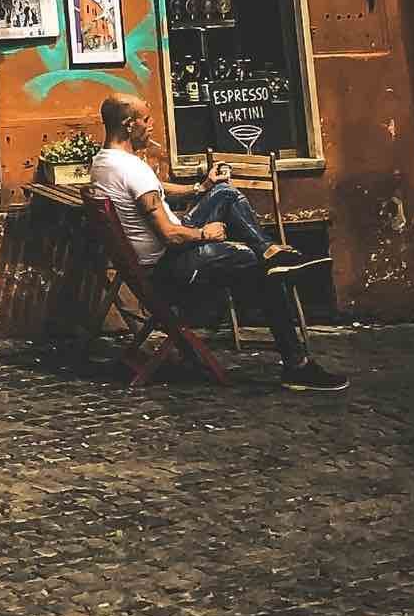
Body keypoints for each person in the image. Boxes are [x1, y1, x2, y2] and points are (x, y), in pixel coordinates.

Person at [90, 94, 348, 392]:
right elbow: (170, 235)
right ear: (128, 124)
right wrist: (205, 234)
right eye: (146, 120)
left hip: (152, 264)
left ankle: (269, 250)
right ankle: (297, 364)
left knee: (224, 192)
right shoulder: (132, 169)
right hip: (170, 269)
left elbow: (156, 191)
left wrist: (202, 187)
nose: (152, 125)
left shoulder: (104, 163)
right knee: (259, 268)